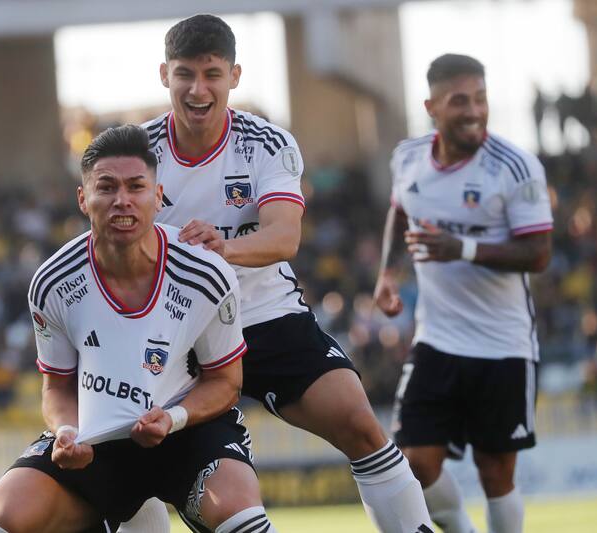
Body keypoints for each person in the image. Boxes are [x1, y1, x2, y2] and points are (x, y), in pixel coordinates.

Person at [131, 14, 432, 533]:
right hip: (173, 334)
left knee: (359, 423)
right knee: (132, 453)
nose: (198, 89)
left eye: (211, 73)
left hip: (262, 315)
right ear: (164, 75)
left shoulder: (265, 143)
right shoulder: (135, 151)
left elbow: (283, 237)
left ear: (234, 75)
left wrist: (222, 246)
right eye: (185, 74)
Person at [0, 125, 278, 533]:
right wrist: (66, 432)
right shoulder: (53, 282)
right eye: (107, 187)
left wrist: (172, 419)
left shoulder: (205, 272)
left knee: (242, 518)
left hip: (187, 431)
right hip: (98, 442)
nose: (122, 201)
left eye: (136, 187)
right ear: (83, 198)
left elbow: (226, 382)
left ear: (157, 196)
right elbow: (57, 387)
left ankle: (143, 509)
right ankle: (132, 512)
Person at [373, 54, 553, 533]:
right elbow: (400, 210)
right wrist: (388, 273)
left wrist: (463, 248)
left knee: (496, 472)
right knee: (413, 463)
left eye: (480, 98)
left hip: (504, 344)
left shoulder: (515, 166)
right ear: (432, 106)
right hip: (437, 339)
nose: (473, 110)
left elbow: (538, 253)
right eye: (459, 101)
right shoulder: (408, 157)